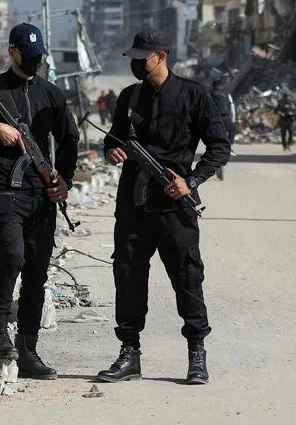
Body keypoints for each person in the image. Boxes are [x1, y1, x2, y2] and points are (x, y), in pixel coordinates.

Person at [97, 31, 231, 386]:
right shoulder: (129, 97)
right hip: (133, 207)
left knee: (187, 278)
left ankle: (197, 354)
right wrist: (111, 151)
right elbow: (113, 139)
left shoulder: (193, 94)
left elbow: (219, 147)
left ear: (161, 55)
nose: (136, 63)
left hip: (174, 205)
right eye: (134, 56)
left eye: (143, 57)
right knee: (128, 278)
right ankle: (129, 353)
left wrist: (193, 181)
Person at [0, 23, 80, 380]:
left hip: (41, 192)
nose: (35, 64)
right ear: (13, 52)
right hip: (5, 189)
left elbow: (70, 140)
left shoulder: (51, 95)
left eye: (40, 58)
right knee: (14, 256)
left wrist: (64, 180)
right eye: (30, 57)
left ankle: (28, 349)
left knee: (37, 271)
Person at [210, 79, 238, 176]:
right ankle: (229, 146)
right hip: (225, 119)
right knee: (233, 129)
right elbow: (232, 108)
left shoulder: (208, 95)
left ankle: (212, 152)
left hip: (213, 121)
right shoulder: (226, 95)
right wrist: (233, 120)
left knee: (210, 138)